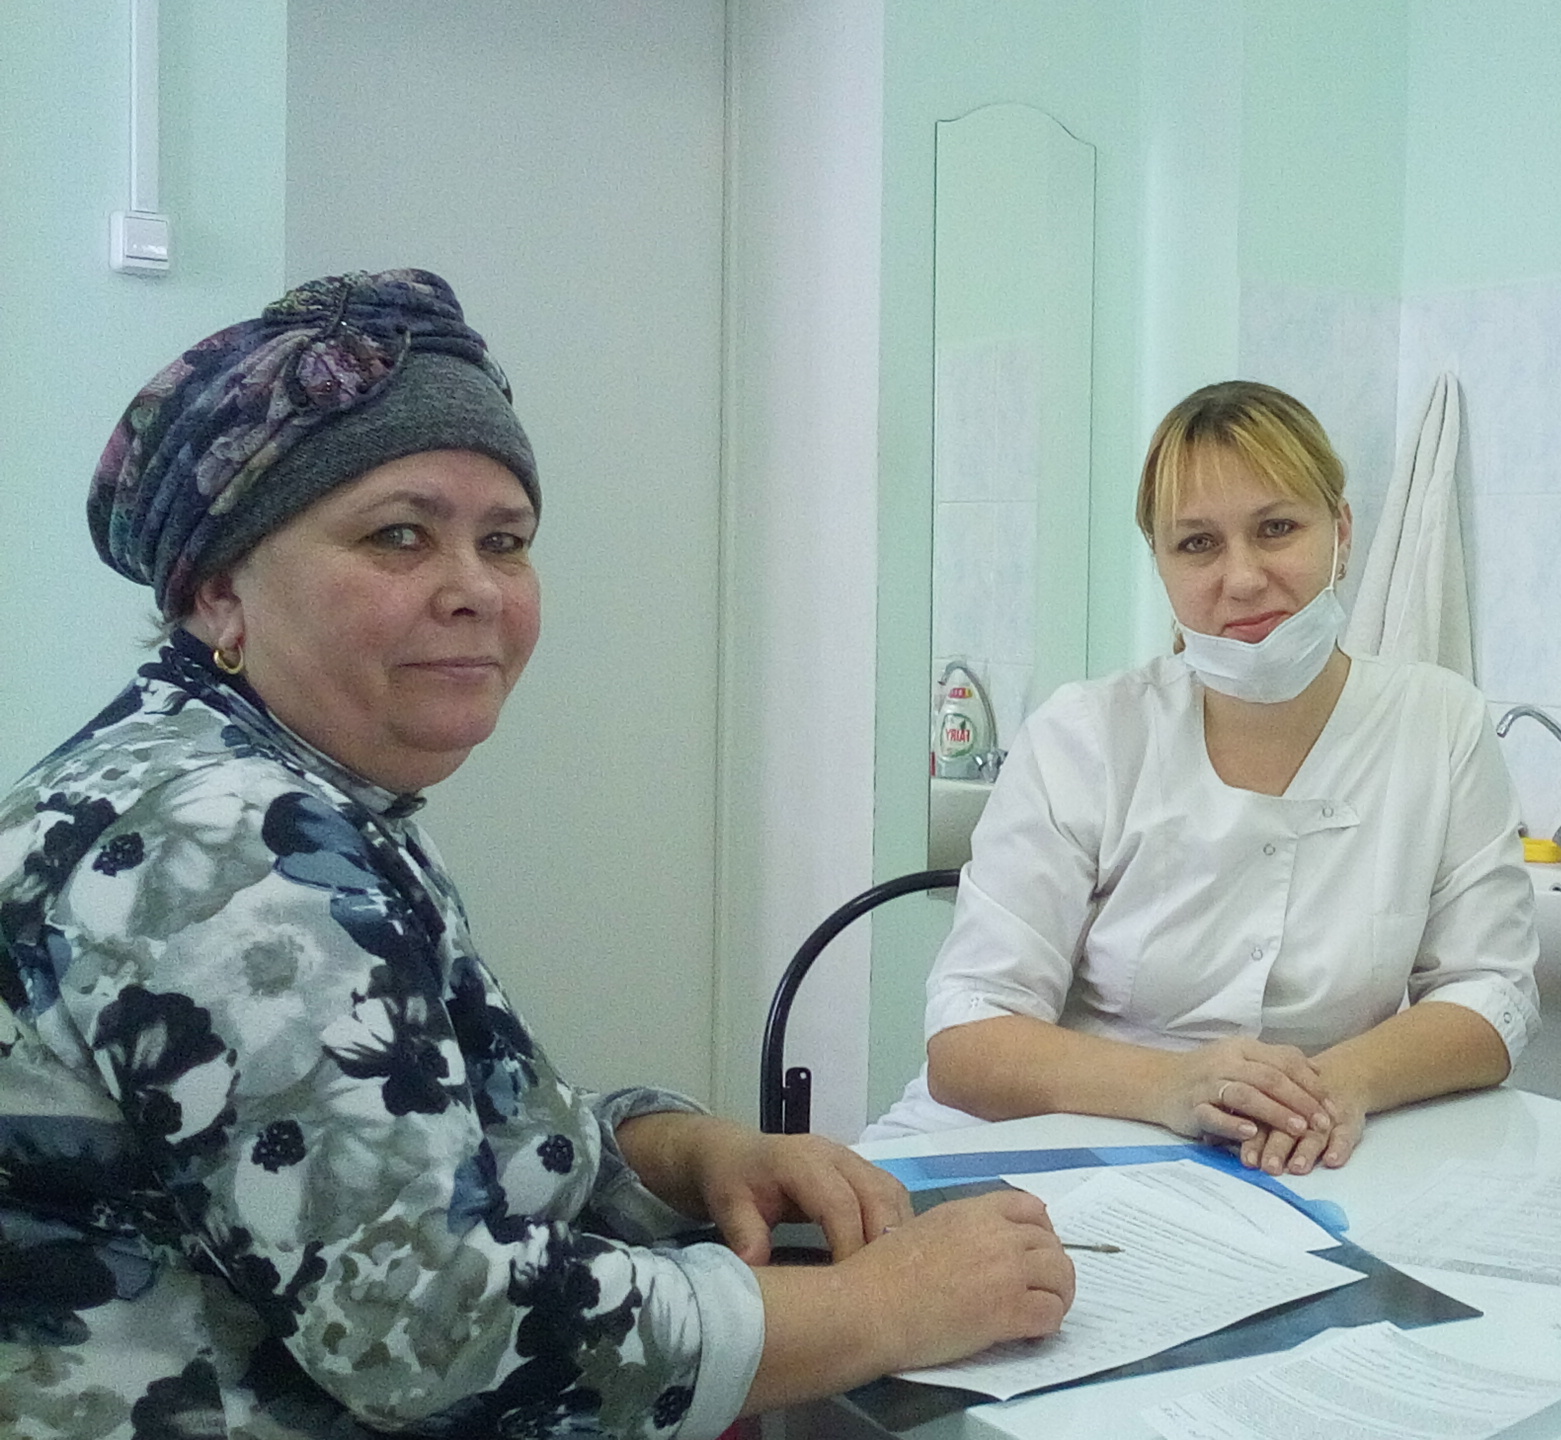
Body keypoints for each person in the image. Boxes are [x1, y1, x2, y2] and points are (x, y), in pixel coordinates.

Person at [0, 271, 1073, 1438]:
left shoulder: (280, 791)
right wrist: (888, 1307)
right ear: (218, 592)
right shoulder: (225, 846)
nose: (473, 589)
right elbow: (437, 1336)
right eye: (399, 535)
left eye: (504, 542)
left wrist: (683, 1153)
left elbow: (430, 1148)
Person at [866, 381, 1539, 1176]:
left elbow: (1490, 992)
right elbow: (968, 1036)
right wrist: (1176, 1086)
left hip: (1295, 1159)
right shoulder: (1086, 736)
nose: (1243, 577)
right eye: (1197, 544)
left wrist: (1332, 1087)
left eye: (1277, 528)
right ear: (1160, 563)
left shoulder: (1439, 723)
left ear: (1342, 532)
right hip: (1039, 1146)